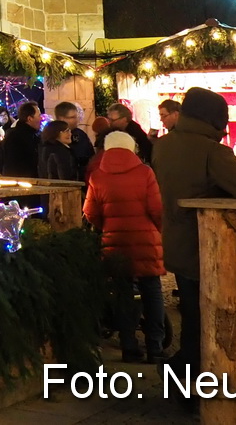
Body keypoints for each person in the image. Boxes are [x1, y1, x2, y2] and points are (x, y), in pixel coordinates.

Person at [154, 86, 236, 375]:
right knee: (213, 317)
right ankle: (199, 377)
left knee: (193, 316)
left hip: (178, 243)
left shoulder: (164, 146)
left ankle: (188, 376)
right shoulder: (210, 151)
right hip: (208, 248)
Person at [83, 130, 168, 362]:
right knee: (152, 291)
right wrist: (159, 231)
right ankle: (155, 347)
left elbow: (90, 212)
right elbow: (157, 209)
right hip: (146, 242)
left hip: (114, 243)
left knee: (123, 294)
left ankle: (129, 346)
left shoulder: (98, 176)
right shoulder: (145, 172)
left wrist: (106, 228)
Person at [0, 101, 42, 176]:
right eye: (39, 115)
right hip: (23, 183)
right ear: (30, 118)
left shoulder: (31, 135)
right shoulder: (20, 137)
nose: (41, 118)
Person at [53, 102, 95, 178]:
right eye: (72, 117)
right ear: (61, 118)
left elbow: (91, 156)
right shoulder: (52, 138)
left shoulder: (81, 135)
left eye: (77, 117)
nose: (77, 120)